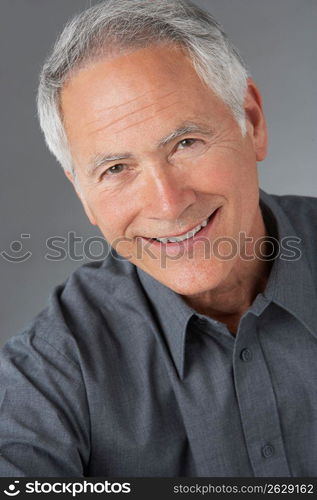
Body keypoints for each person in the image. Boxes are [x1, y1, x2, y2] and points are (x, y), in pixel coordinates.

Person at [0, 0, 317, 478]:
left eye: (185, 143)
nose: (168, 204)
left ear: (251, 122)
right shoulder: (51, 368)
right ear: (83, 194)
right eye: (116, 169)